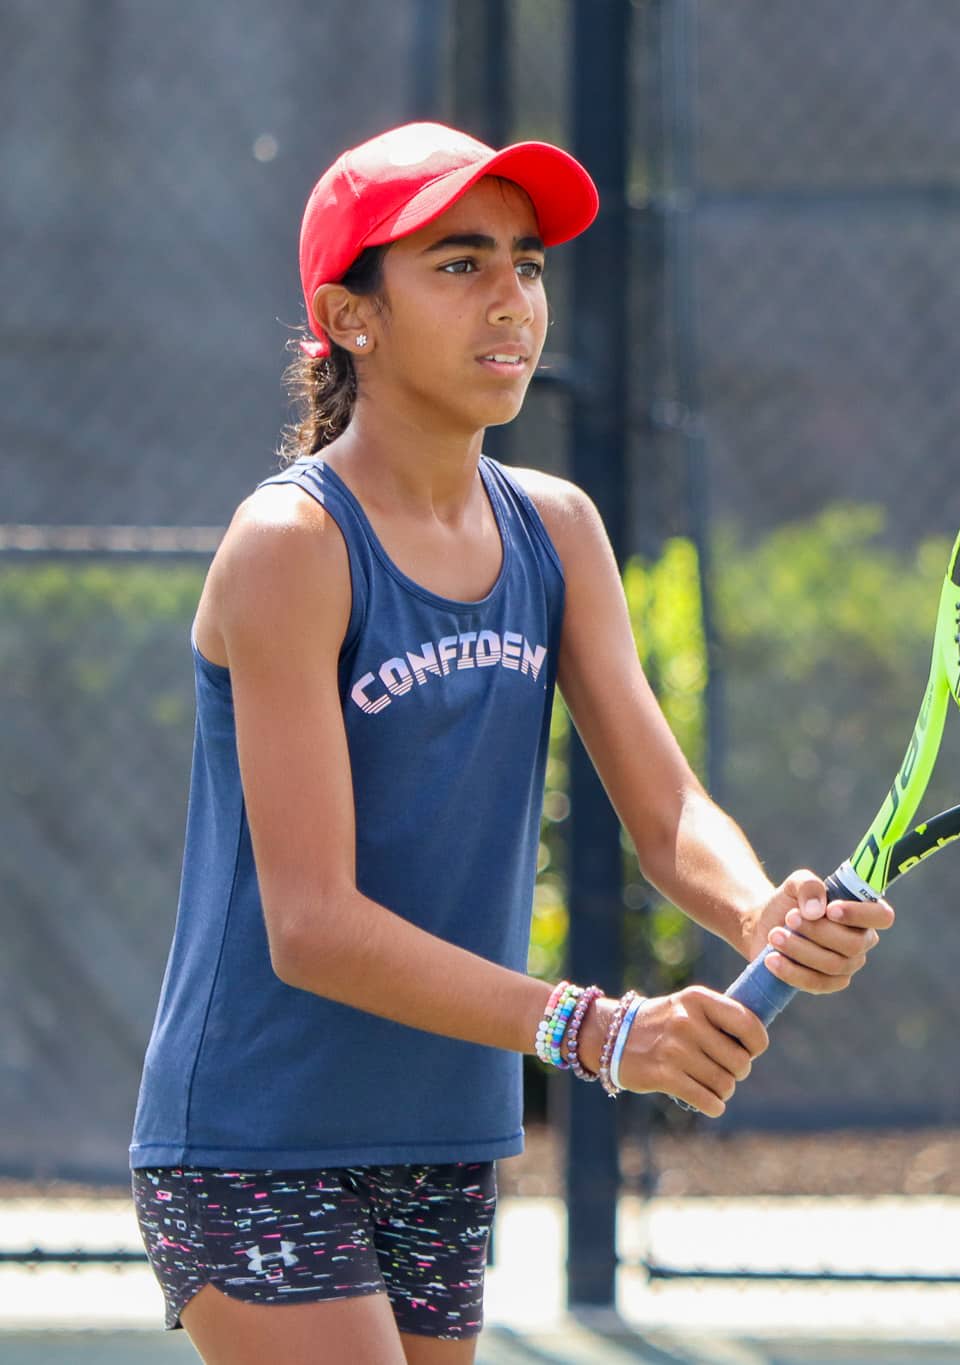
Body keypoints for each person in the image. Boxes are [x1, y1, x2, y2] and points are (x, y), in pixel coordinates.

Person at [127, 121, 895, 1365]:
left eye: (527, 266)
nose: (513, 301)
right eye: (459, 264)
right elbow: (310, 924)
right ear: (351, 316)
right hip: (254, 1140)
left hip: (443, 1136)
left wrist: (761, 912)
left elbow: (668, 814)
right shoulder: (292, 546)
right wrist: (597, 1031)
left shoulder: (556, 528)